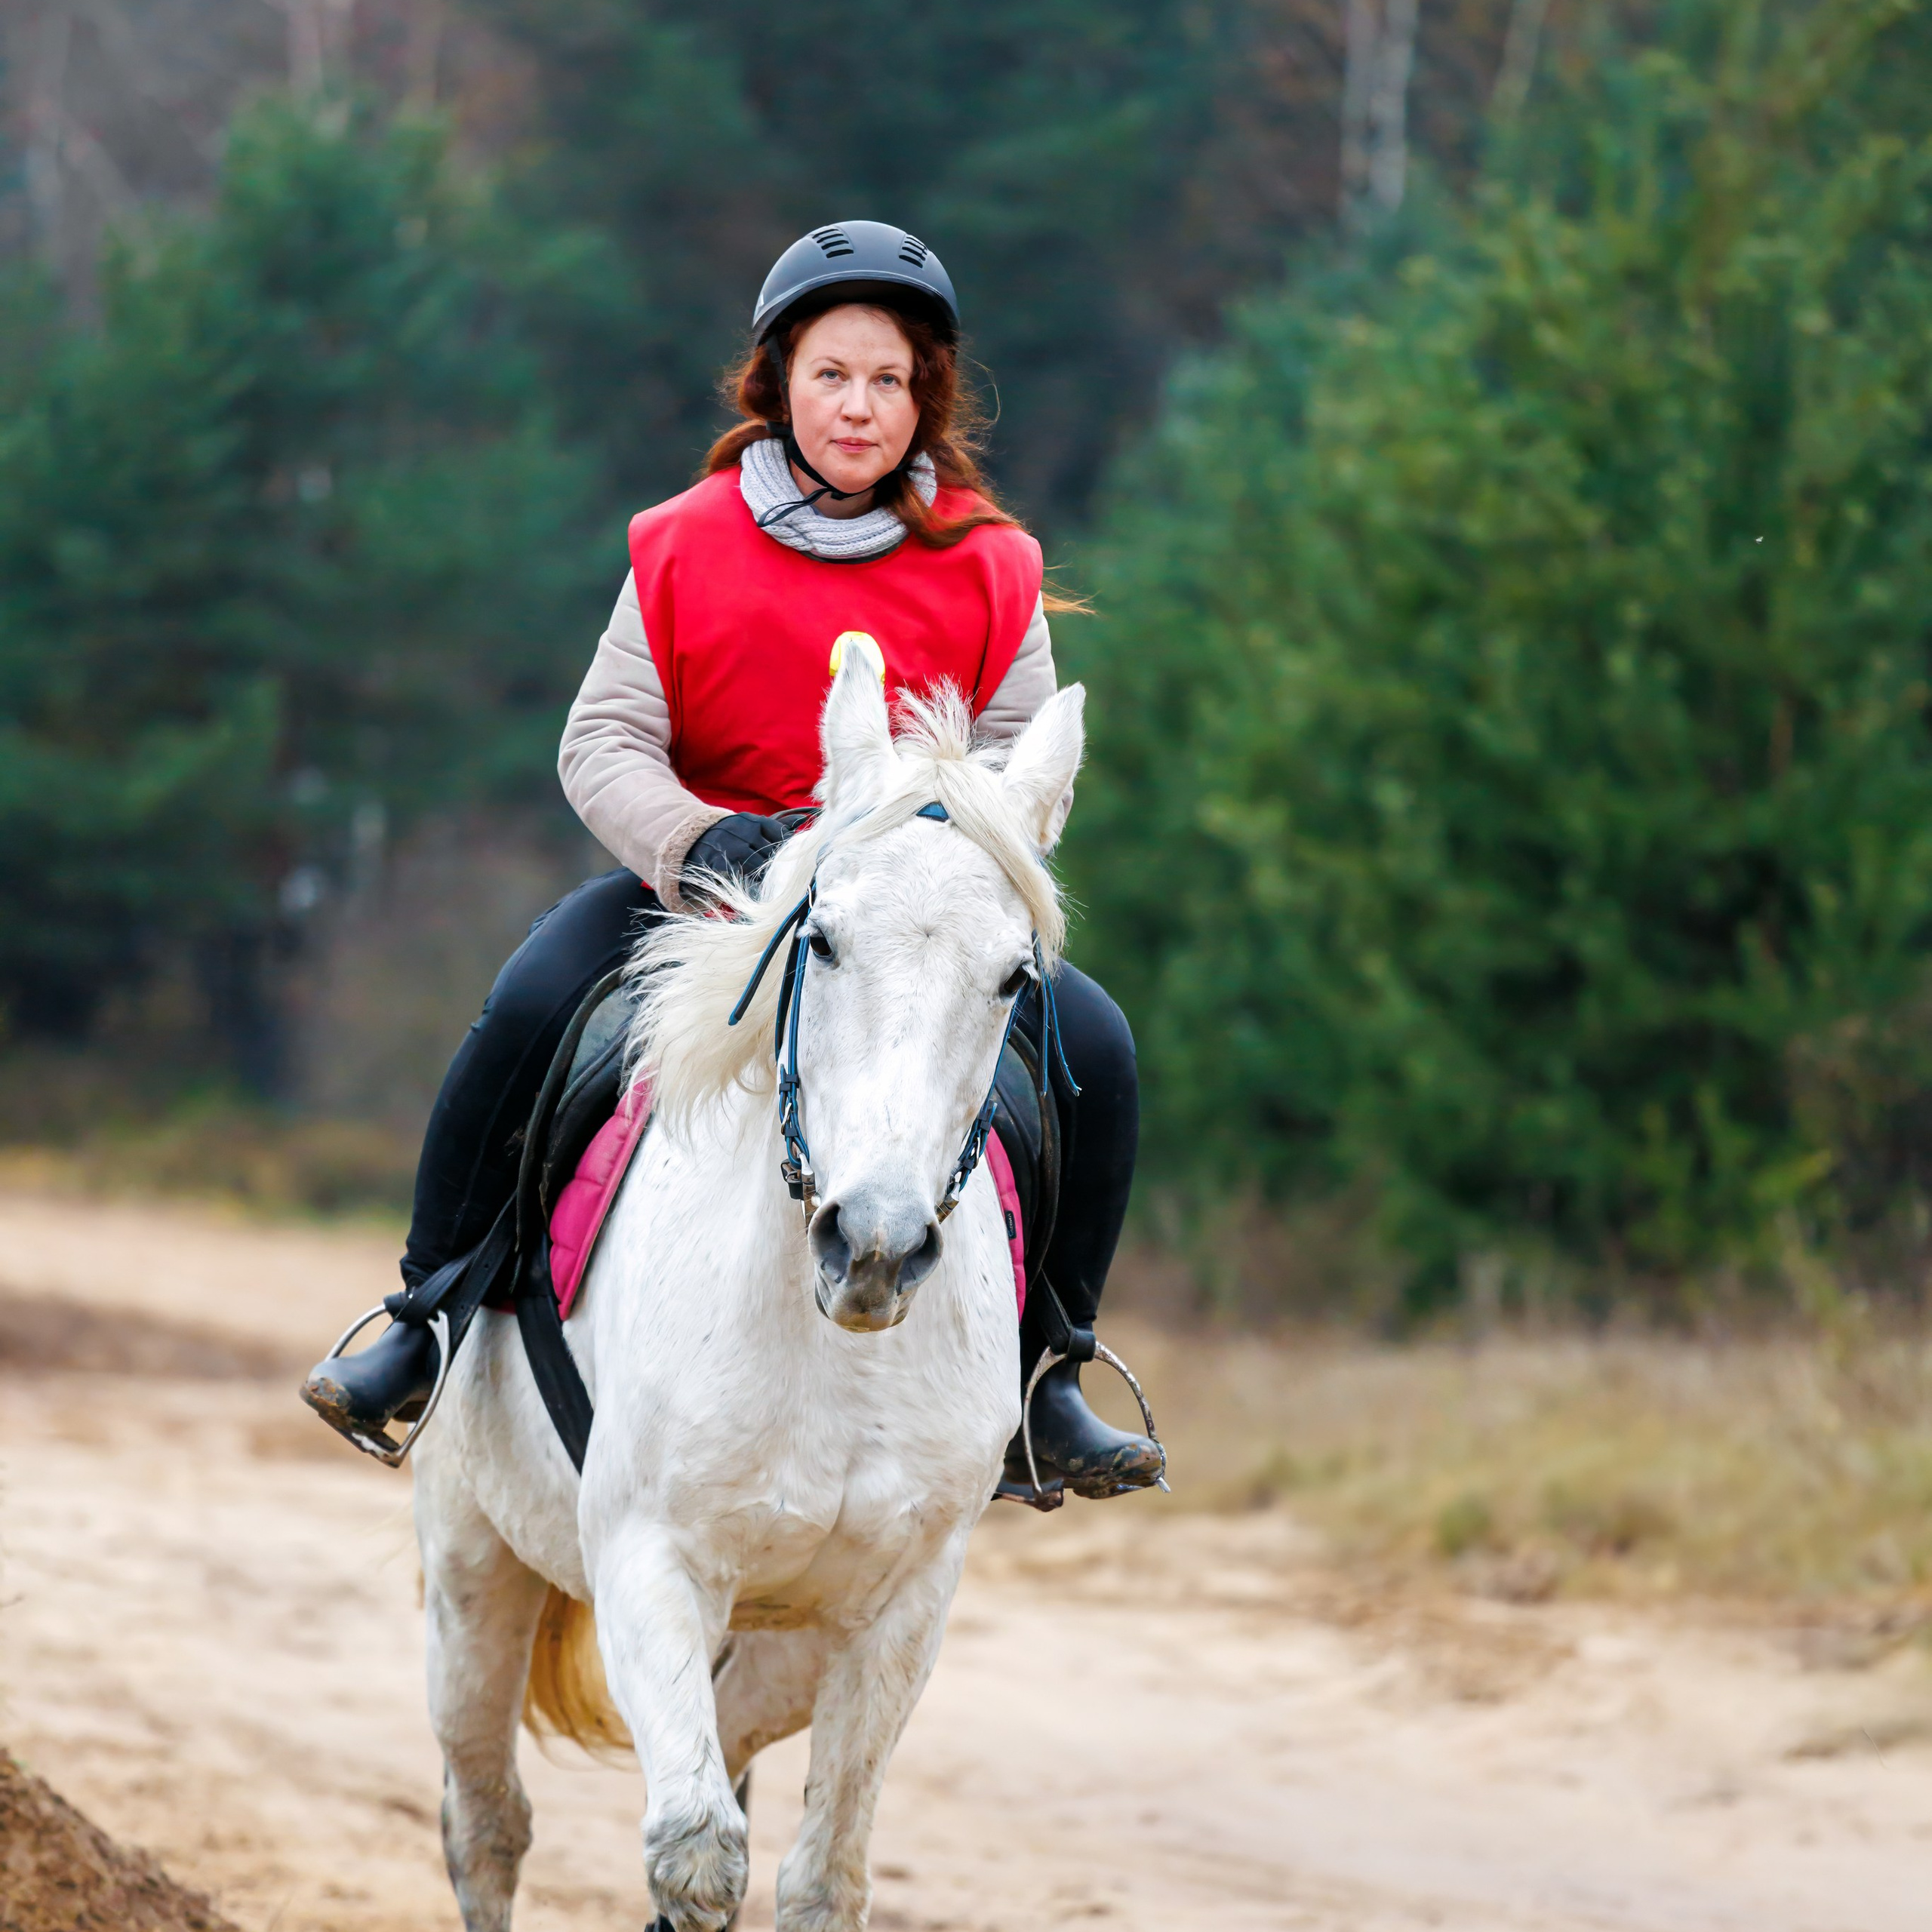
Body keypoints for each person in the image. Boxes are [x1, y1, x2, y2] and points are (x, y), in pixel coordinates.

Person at [302, 220, 1161, 1500]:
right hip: (705, 893)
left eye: (889, 380)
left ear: (925, 396)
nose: (859, 407)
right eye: (832, 375)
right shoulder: (683, 542)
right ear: (779, 383)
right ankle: (422, 1321)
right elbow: (602, 740)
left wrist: (921, 863)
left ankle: (1051, 1376)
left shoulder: (995, 564)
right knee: (532, 1003)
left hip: (901, 923)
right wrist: (699, 837)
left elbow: (1022, 769)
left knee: (1097, 1049)